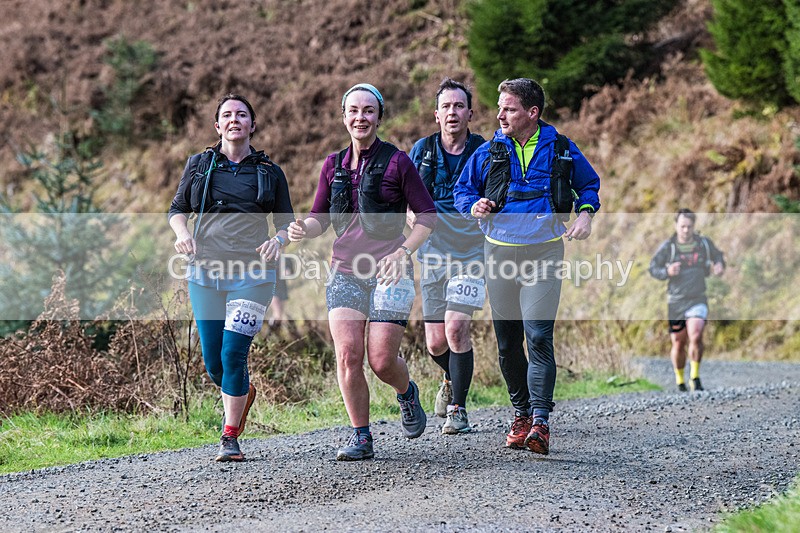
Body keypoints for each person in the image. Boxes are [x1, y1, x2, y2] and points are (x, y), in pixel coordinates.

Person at [288, 83, 436, 461]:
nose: (361, 117)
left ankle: (406, 393)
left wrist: (403, 252)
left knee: (381, 360)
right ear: (344, 117)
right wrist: (303, 228)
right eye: (353, 110)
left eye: (369, 110)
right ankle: (361, 436)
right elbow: (320, 218)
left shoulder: (398, 162)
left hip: (391, 270)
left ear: (379, 117)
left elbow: (427, 217)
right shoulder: (332, 165)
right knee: (347, 355)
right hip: (345, 271)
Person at [454, 78, 601, 455]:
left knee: (538, 335)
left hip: (544, 253)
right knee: (507, 343)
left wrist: (585, 215)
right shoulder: (488, 151)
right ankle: (520, 414)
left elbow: (588, 186)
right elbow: (462, 191)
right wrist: (474, 206)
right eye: (500, 108)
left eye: (509, 109)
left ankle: (540, 422)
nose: (500, 115)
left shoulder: (561, 148)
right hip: (499, 255)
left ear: (532, 113)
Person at [168, 93, 294, 462]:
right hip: (205, 273)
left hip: (253, 275)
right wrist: (182, 233)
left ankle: (230, 435)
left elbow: (285, 224)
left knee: (233, 353)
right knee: (214, 363)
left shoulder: (269, 172)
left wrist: (278, 241)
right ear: (217, 125)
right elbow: (177, 209)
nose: (234, 120)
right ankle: (243, 393)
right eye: (227, 115)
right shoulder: (200, 165)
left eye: (241, 115)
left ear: (252, 125)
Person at [408, 78, 486, 435]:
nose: (452, 112)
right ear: (436, 115)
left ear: (470, 113)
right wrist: (410, 216)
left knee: (456, 328)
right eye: (446, 107)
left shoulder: (485, 151)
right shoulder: (421, 151)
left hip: (473, 253)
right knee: (436, 342)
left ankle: (458, 410)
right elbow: (404, 195)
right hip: (433, 254)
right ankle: (450, 378)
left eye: (459, 106)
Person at [649, 208, 725, 392]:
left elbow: (718, 256)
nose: (686, 230)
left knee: (696, 335)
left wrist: (719, 265)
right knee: (678, 342)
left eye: (689, 226)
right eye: (682, 226)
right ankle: (680, 380)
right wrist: (667, 271)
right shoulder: (669, 247)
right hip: (676, 301)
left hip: (698, 298)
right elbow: (653, 268)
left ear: (694, 226)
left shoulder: (703, 243)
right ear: (676, 225)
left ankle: (695, 377)